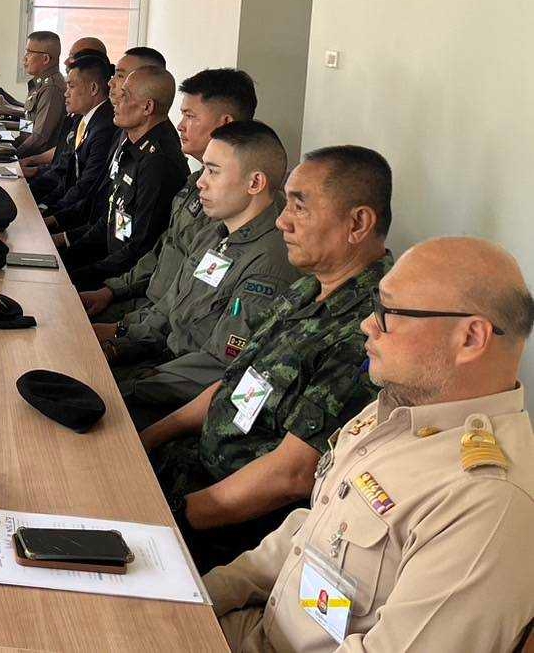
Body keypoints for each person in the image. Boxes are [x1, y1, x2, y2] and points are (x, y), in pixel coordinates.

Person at [206, 237, 534, 652]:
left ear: (470, 338)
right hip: (257, 626)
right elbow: (310, 531)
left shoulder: (487, 501)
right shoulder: (399, 409)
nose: (367, 324)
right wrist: (202, 592)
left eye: (389, 312)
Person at [141, 145, 395, 569]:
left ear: (357, 224)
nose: (281, 220)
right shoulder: (308, 288)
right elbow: (234, 384)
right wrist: (147, 439)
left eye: (300, 206)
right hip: (188, 469)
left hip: (230, 531)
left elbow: (292, 474)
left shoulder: (368, 331)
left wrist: (171, 518)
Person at [100, 121, 298, 427]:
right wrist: (118, 338)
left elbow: (218, 368)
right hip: (156, 367)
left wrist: (133, 383)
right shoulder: (215, 232)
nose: (201, 182)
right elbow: (170, 310)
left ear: (255, 182)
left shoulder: (269, 264)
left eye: (213, 171)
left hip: (182, 402)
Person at [78, 68, 259, 322]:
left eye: (190, 116)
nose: (180, 126)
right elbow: (161, 252)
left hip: (156, 322)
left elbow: (188, 305)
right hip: (144, 306)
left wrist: (121, 330)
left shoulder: (231, 204)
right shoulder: (194, 184)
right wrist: (111, 290)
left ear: (225, 124)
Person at [57, 65, 189, 289]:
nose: (115, 100)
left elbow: (139, 248)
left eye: (125, 95)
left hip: (125, 282)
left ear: (147, 107)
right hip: (109, 262)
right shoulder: (129, 142)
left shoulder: (158, 162)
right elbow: (111, 220)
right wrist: (63, 249)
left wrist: (78, 277)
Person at [41, 47, 160, 229]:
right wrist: (51, 217)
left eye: (120, 75)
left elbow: (125, 230)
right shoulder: (121, 133)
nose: (111, 82)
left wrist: (61, 231)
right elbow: (99, 199)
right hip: (86, 226)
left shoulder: (153, 157)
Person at [26, 55, 115, 221]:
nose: (66, 93)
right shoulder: (83, 120)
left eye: (71, 86)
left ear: (93, 88)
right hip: (63, 206)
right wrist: (41, 203)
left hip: (79, 218)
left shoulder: (104, 128)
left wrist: (51, 214)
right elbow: (64, 172)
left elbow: (85, 186)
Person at [0, 30, 67, 159]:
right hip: (28, 153)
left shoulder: (51, 88)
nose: (24, 58)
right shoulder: (40, 84)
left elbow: (39, 137)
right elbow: (29, 126)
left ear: (45, 59)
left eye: (29, 53)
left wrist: (13, 156)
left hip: (36, 162)